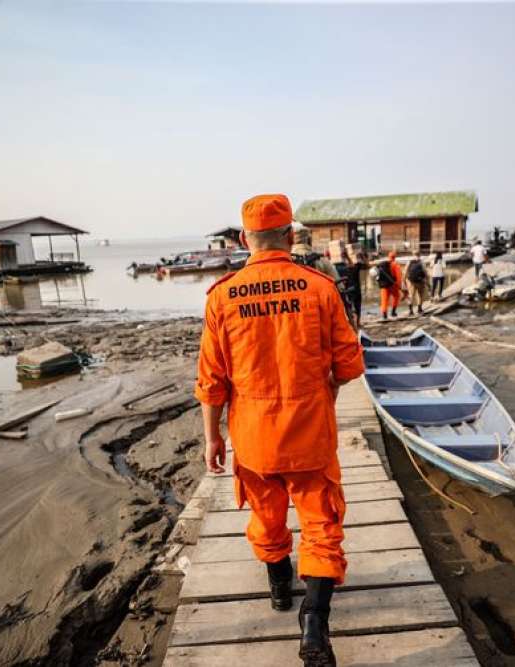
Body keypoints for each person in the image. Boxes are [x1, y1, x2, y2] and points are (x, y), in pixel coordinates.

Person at [196, 194, 365, 667]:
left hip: (252, 439)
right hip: (311, 435)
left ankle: (278, 591)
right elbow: (350, 365)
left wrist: (213, 437)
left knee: (267, 520)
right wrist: (325, 385)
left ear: (244, 239)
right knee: (322, 526)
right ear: (290, 236)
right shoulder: (320, 288)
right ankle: (314, 624)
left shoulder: (222, 295)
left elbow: (211, 381)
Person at [375, 251, 402, 320]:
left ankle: (384, 315)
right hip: (393, 285)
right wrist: (399, 285)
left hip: (383, 285)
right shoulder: (396, 265)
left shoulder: (382, 265)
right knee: (396, 296)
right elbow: (398, 276)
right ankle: (393, 312)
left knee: (384, 300)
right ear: (395, 257)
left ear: (388, 256)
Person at [342, 252, 366, 329]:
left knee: (353, 307)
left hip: (352, 291)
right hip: (352, 291)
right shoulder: (348, 269)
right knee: (353, 308)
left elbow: (366, 265)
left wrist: (347, 256)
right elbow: (367, 265)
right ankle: (355, 323)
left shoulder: (352, 268)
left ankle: (356, 323)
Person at [403, 251, 428, 315]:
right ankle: (419, 309)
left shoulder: (409, 262)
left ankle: (411, 311)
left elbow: (405, 271)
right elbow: (425, 272)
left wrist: (404, 281)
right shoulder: (421, 262)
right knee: (420, 295)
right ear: (420, 255)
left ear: (413, 254)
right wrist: (426, 280)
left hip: (411, 281)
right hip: (420, 281)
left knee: (411, 296)